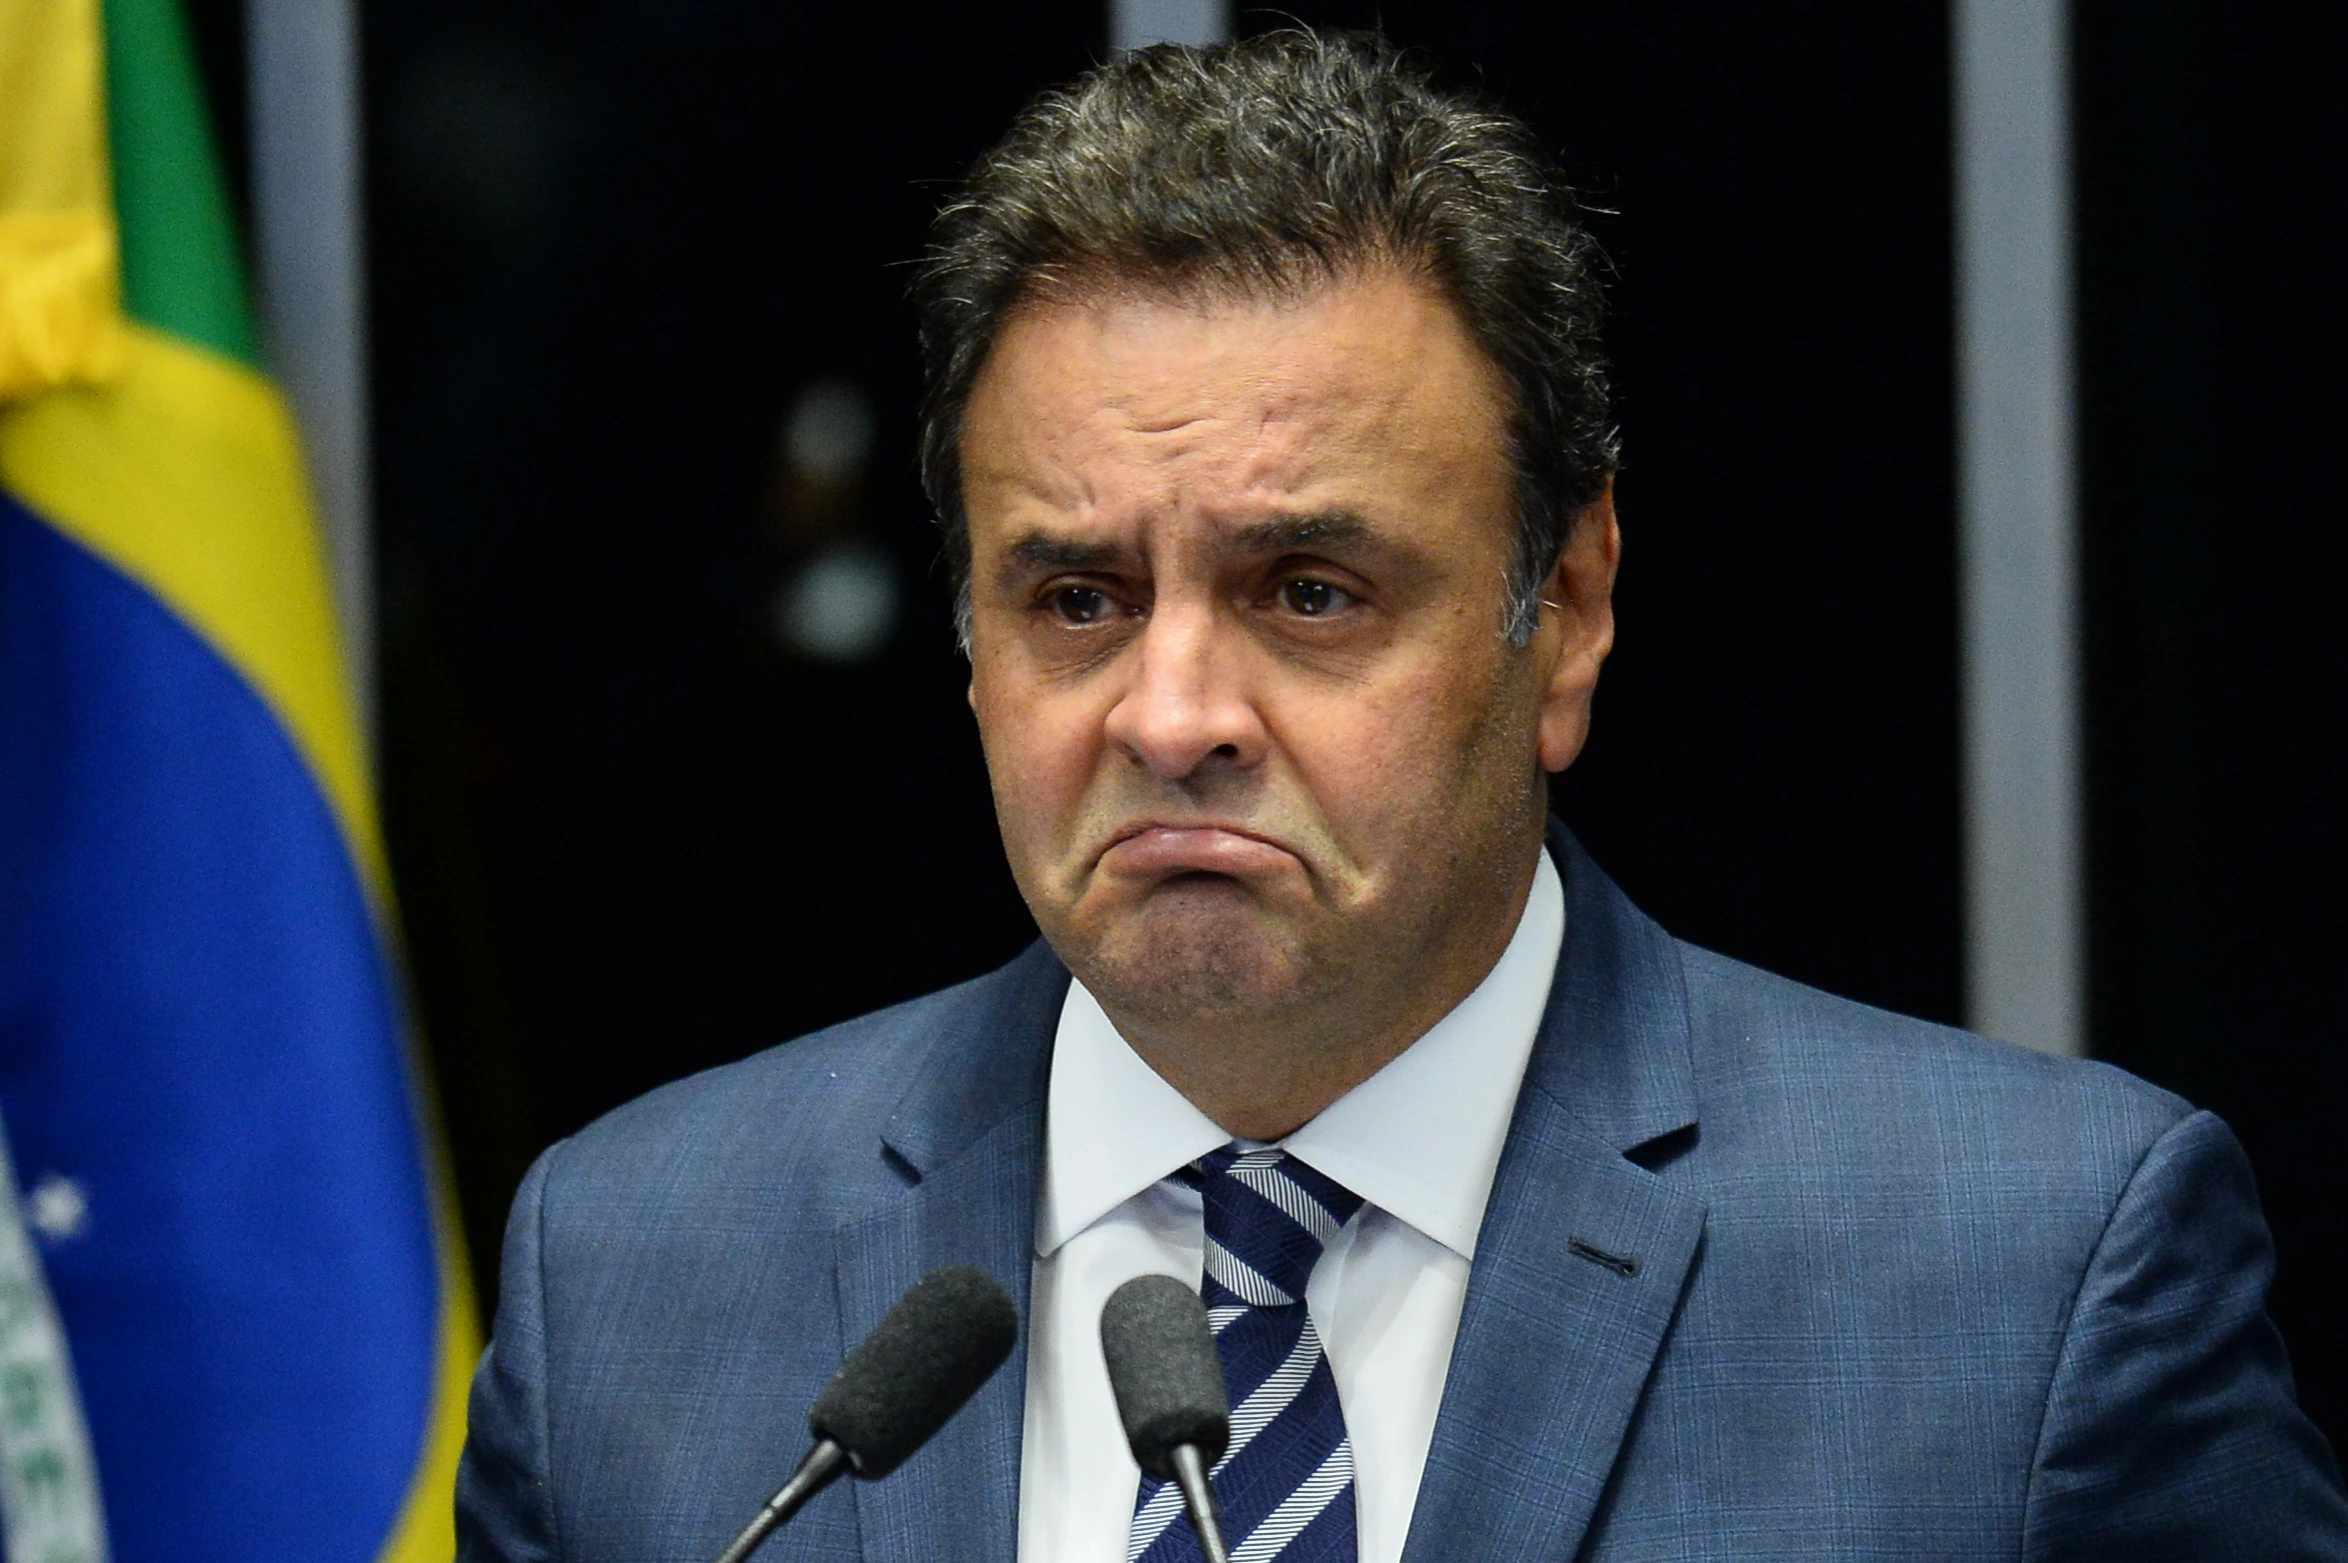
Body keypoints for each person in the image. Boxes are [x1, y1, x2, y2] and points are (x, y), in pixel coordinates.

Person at [454, 30, 2348, 1563]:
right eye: (1079, 600)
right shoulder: (631, 1276)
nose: (1173, 709)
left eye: (1311, 593)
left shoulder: (2026, 1285)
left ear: (1573, 610)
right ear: (966, 636)